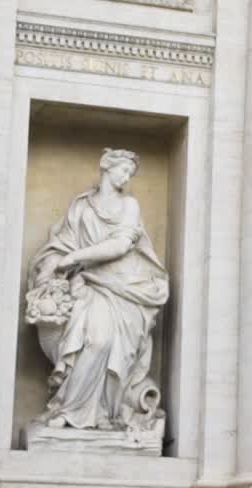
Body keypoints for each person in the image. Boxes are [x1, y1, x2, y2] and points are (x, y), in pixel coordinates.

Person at [26, 148, 169, 431]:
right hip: (88, 284)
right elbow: (63, 244)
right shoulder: (81, 207)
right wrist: (54, 264)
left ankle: (96, 412)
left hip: (125, 286)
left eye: (131, 173)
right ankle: (72, 411)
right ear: (107, 167)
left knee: (103, 343)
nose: (127, 177)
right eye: (123, 170)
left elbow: (120, 245)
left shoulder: (130, 205)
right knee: (91, 341)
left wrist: (75, 258)